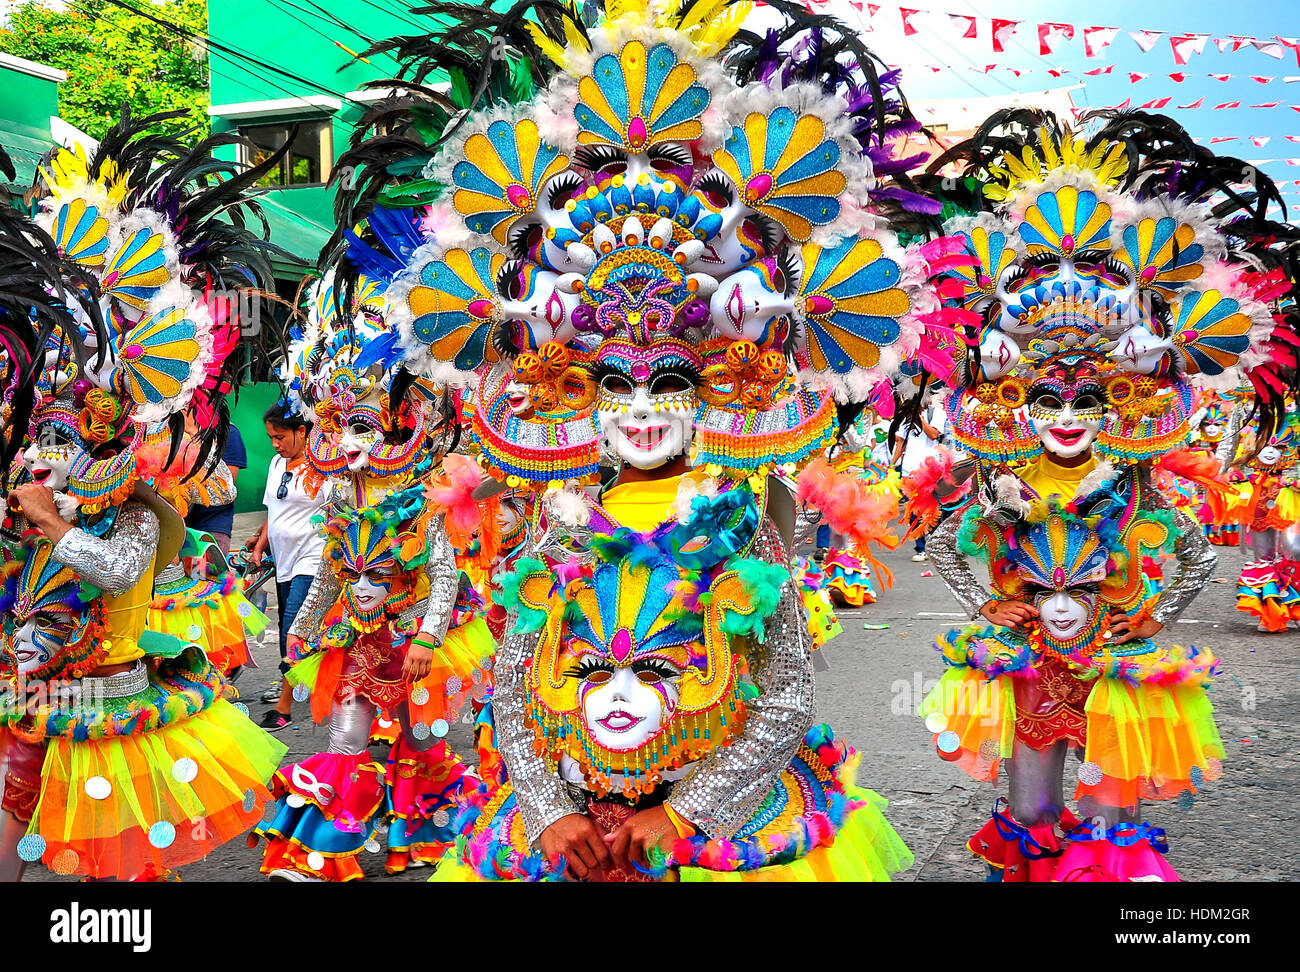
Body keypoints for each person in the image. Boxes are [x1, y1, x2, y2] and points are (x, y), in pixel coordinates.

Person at [333, 0, 930, 882]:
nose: (642, 409)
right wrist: (542, 814)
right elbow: (512, 677)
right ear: (580, 388)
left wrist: (681, 811)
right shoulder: (556, 518)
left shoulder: (742, 518)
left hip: (708, 823)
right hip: (570, 822)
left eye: (670, 383)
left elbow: (784, 696)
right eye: (617, 383)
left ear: (711, 386)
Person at [918, 109, 1298, 881]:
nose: (1065, 421)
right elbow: (939, 542)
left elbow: (1193, 550)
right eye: (1049, 402)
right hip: (1028, 666)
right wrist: (984, 606)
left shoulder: (1133, 479)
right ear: (1022, 398)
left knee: (1110, 823)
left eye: (1086, 403)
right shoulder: (1001, 477)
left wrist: (1158, 611)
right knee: (1028, 817)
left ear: (1116, 402)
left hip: (1120, 667)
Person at [0, 115, 287, 882]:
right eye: (46, 428)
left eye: (74, 425)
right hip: (27, 691)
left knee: (116, 861)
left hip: (107, 699)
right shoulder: (22, 490)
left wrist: (55, 522)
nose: (53, 447)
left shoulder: (132, 498)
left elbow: (124, 568)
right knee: (16, 808)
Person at [247, 403, 326, 731]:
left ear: (302, 432)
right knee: (290, 626)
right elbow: (273, 512)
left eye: (281, 437)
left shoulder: (323, 468)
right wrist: (259, 546)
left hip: (313, 557)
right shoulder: (277, 464)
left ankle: (285, 704)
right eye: (271, 438)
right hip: (282, 560)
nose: (276, 444)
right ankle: (306, 682)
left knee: (292, 627)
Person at [185, 417, 246, 555]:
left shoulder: (228, 432)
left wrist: (194, 435)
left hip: (211, 525)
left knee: (203, 575)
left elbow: (224, 489)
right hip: (175, 526)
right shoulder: (166, 429)